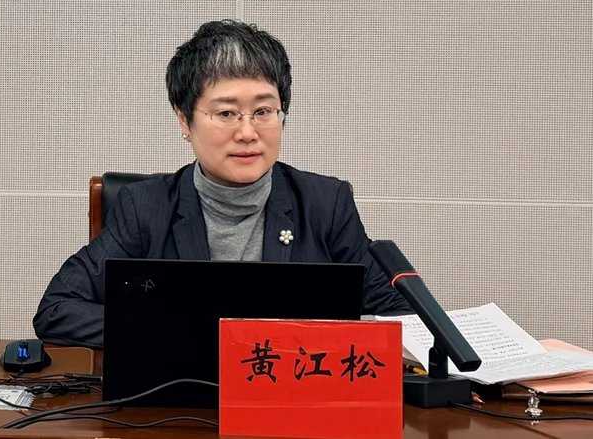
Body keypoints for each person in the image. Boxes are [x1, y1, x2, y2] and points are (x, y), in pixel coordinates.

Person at [34, 20, 411, 348]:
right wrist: (182, 330)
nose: (247, 132)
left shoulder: (325, 204)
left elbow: (401, 314)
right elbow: (57, 310)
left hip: (291, 397)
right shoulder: (144, 208)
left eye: (263, 111)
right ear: (184, 121)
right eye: (226, 113)